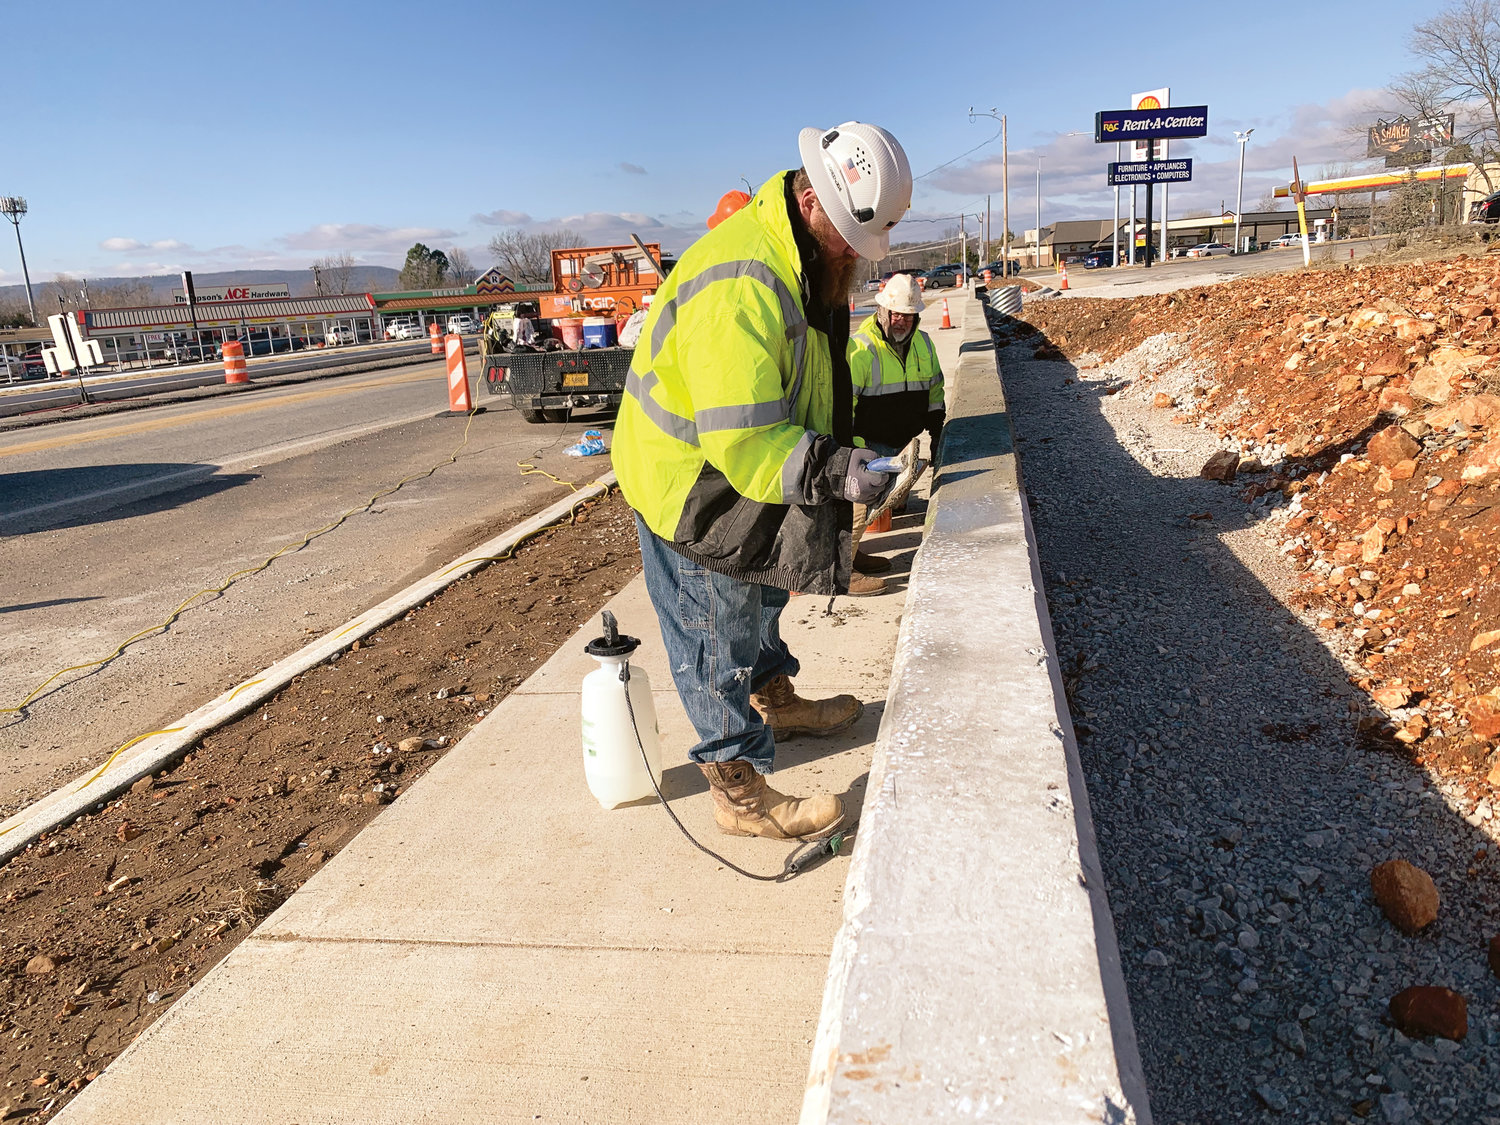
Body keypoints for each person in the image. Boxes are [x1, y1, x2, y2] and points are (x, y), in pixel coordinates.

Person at [612, 121, 913, 841]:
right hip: (693, 478)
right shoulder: (744, 282)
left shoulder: (804, 253)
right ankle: (736, 787)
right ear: (814, 202)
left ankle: (774, 693)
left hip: (736, 460)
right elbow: (744, 438)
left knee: (764, 587)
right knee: (717, 622)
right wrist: (834, 470)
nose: (857, 255)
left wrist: (840, 452)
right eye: (851, 236)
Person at [845, 272, 946, 592]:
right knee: (859, 501)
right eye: (897, 314)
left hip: (901, 441)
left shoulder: (924, 344)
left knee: (884, 503)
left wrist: (937, 426)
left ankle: (854, 552)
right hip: (866, 442)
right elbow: (843, 404)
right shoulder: (861, 348)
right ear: (883, 312)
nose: (902, 321)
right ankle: (842, 568)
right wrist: (853, 449)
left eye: (909, 315)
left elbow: (934, 389)